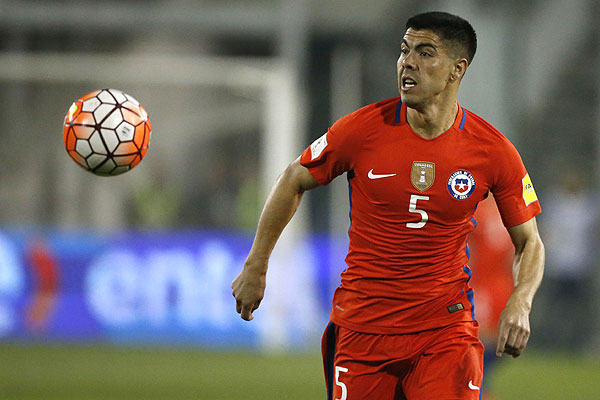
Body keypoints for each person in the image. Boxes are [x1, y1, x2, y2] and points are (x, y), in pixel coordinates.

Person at [232, 11, 545, 400]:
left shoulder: (493, 151)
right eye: (404, 50)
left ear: (457, 69)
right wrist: (256, 265)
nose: (408, 62)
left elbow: (530, 241)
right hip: (362, 329)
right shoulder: (362, 129)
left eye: (425, 53)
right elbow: (293, 179)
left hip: (444, 331)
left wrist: (521, 300)